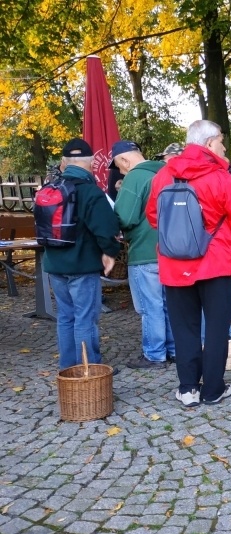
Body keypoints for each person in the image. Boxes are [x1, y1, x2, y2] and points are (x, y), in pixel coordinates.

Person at [146, 120, 231, 408]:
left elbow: (154, 217)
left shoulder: (164, 175)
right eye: (220, 140)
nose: (224, 146)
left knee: (184, 328)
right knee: (216, 329)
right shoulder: (219, 177)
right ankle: (213, 389)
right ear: (208, 144)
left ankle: (189, 388)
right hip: (216, 262)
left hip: (174, 263)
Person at [44, 138, 121, 369]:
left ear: (64, 163)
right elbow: (107, 230)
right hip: (82, 266)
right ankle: (90, 368)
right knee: (85, 319)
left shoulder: (50, 189)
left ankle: (68, 367)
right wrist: (110, 253)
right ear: (90, 164)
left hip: (55, 265)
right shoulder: (90, 192)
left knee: (66, 318)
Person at [111, 140, 175, 369]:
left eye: (119, 165)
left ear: (125, 160)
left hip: (144, 251)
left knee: (151, 306)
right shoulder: (168, 171)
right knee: (169, 304)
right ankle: (173, 349)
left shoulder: (135, 178)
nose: (119, 171)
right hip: (171, 250)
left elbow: (124, 217)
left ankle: (155, 354)